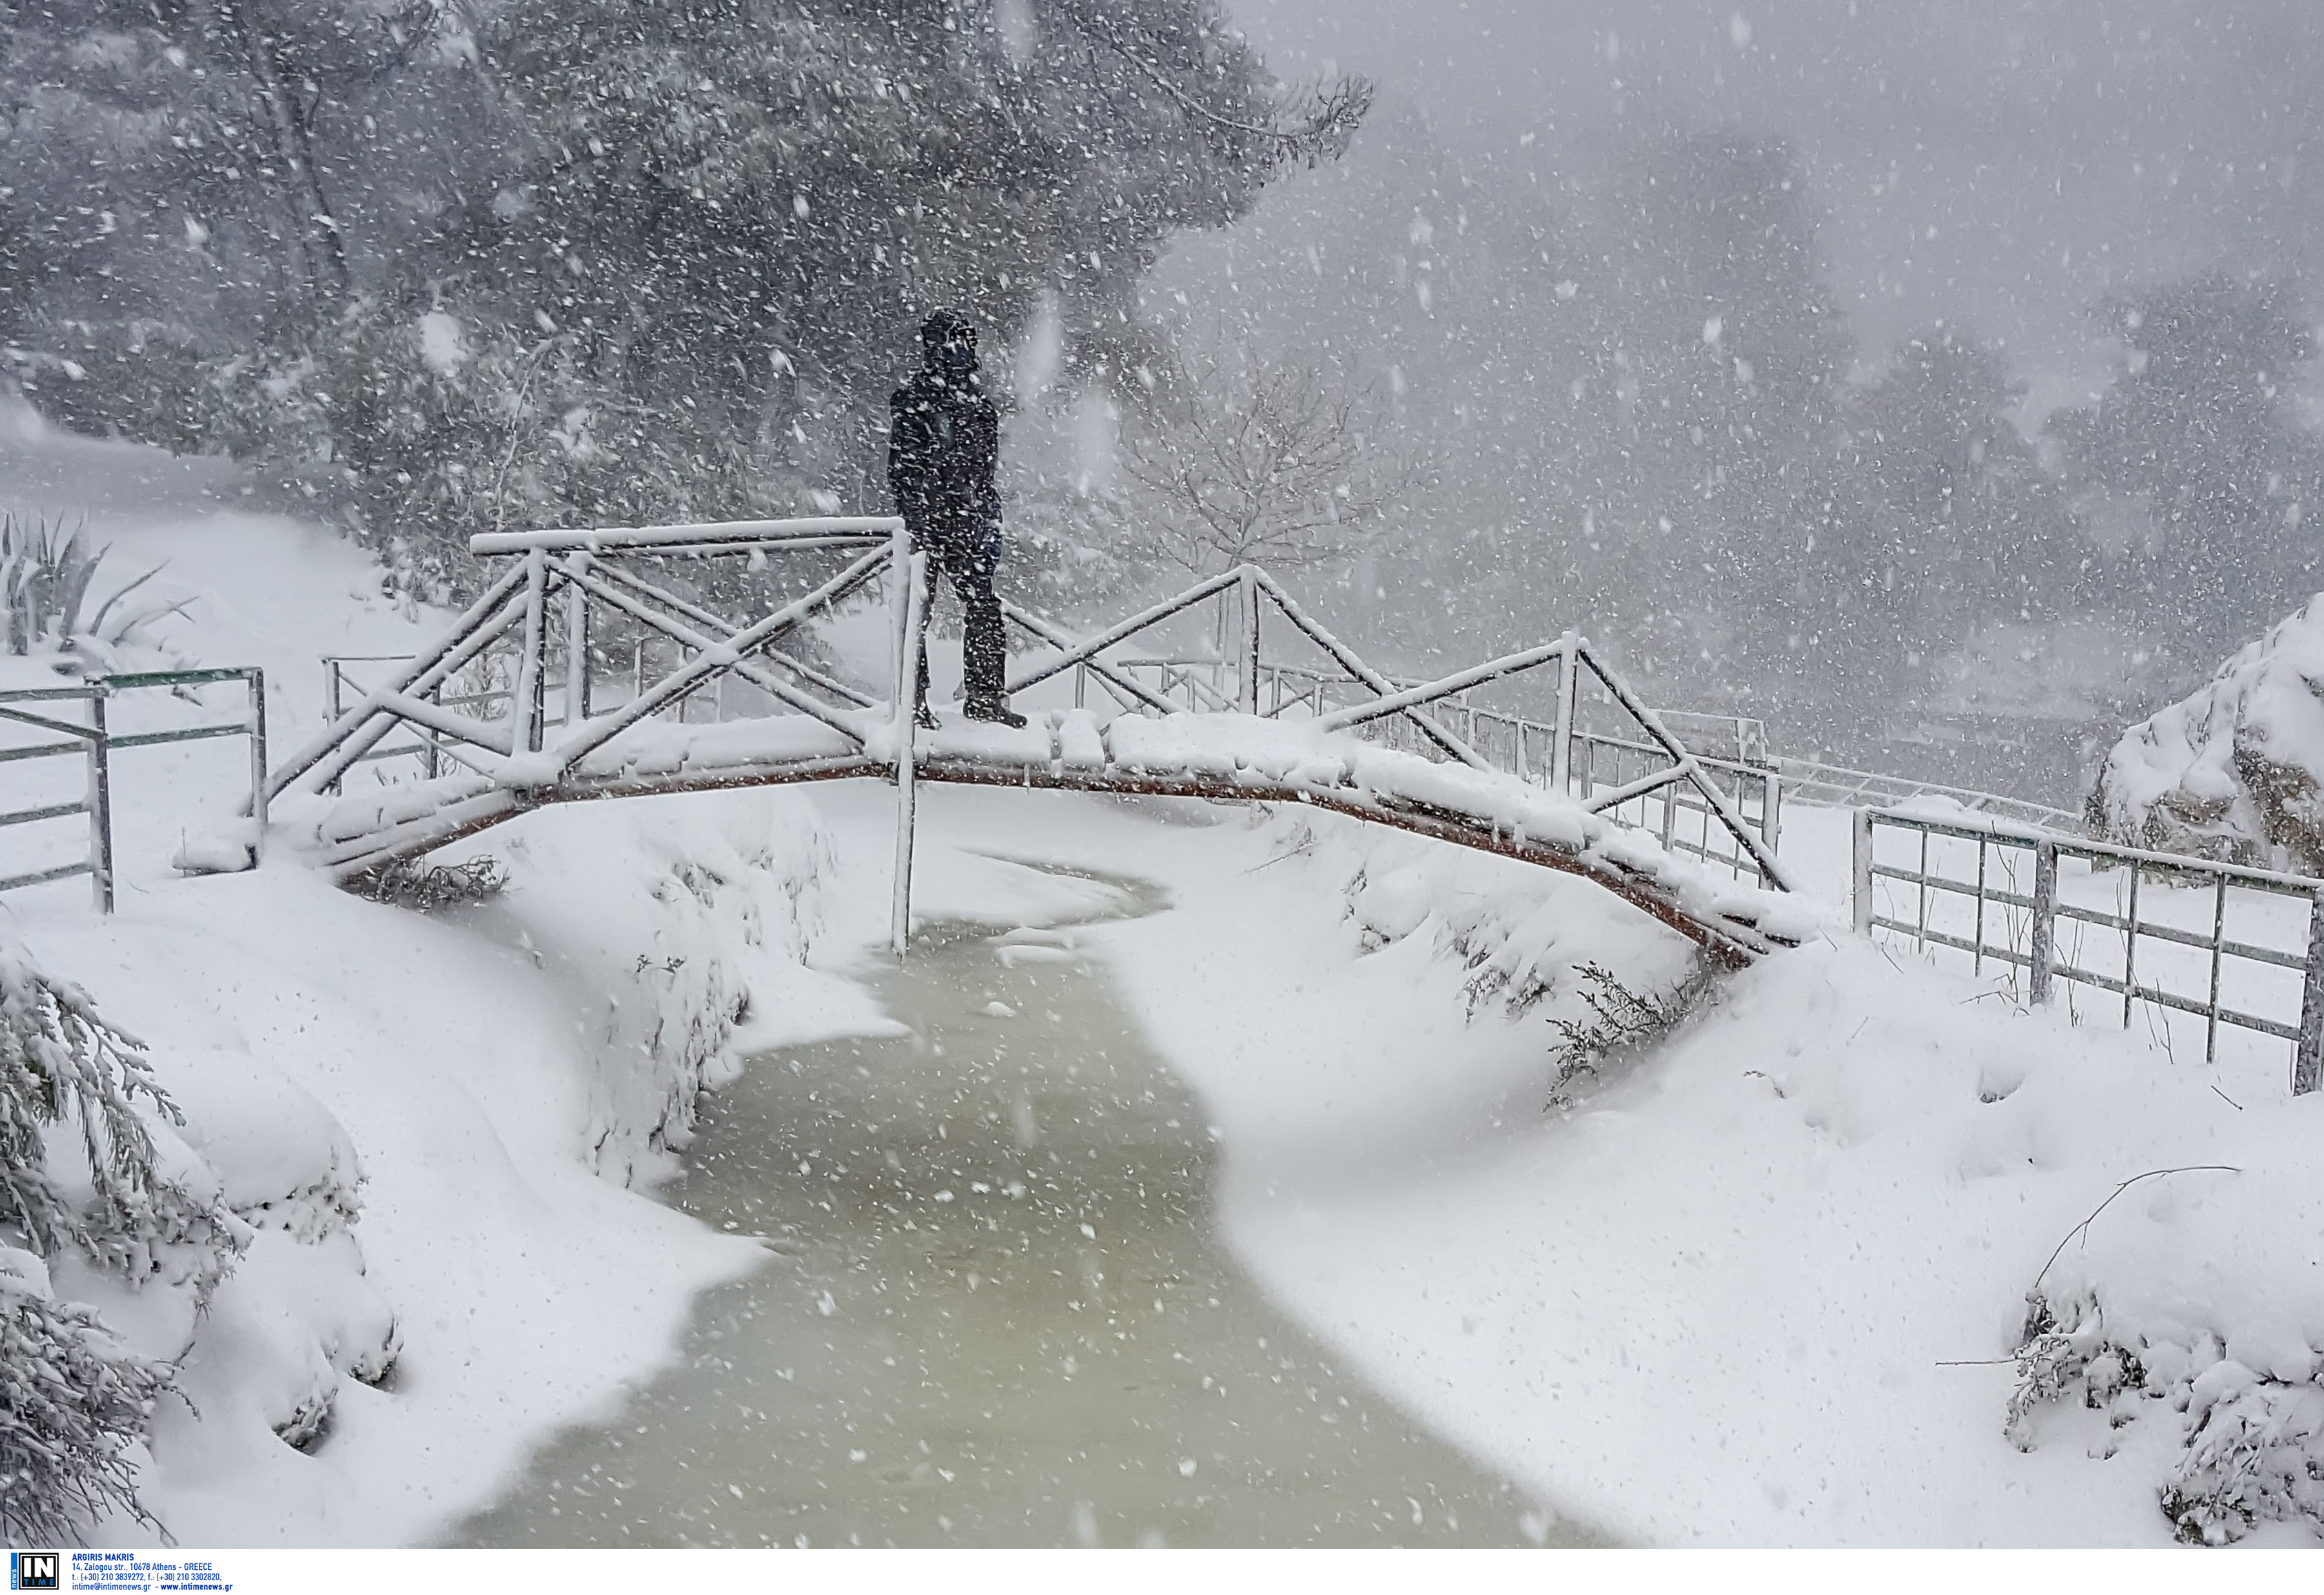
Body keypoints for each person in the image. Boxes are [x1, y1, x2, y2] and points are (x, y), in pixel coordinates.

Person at [888, 309, 1026, 729]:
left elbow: (985, 473)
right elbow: (903, 471)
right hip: (929, 523)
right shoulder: (915, 401)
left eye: (967, 341)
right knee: (917, 612)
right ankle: (913, 704)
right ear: (935, 346)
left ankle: (985, 697)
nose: (963, 350)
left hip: (966, 522)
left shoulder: (979, 408)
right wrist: (920, 518)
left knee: (984, 607)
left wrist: (986, 519)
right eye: (955, 341)